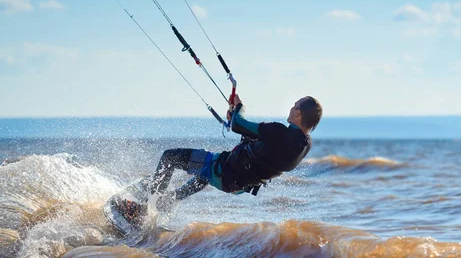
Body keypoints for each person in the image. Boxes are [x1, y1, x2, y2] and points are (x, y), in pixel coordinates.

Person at [114, 95, 323, 224]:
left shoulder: (279, 132)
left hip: (222, 171)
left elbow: (238, 124)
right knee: (202, 176)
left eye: (294, 105)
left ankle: (143, 208)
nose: (291, 107)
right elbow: (267, 152)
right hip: (238, 184)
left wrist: (239, 107)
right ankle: (170, 200)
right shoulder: (304, 145)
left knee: (170, 157)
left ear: (297, 113)